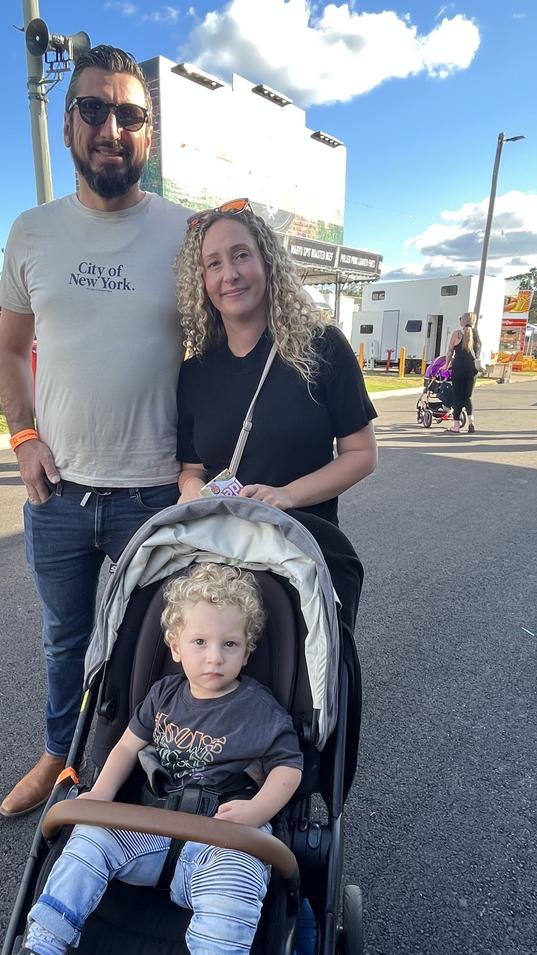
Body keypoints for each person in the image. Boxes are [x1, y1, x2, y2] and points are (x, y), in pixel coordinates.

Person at [0, 563, 303, 955]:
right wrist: (99, 794)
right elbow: (125, 747)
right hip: (147, 827)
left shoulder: (259, 709)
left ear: (248, 650)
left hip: (219, 839)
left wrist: (256, 810)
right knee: (88, 841)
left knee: (240, 878)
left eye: (230, 645)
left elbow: (289, 769)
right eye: (200, 643)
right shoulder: (162, 695)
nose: (214, 657)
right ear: (175, 647)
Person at [0, 46, 190, 817]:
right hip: (61, 491)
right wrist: (23, 438)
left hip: (156, 490)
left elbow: (220, 349)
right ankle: (57, 757)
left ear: (148, 134)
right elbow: (9, 351)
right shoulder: (32, 232)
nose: (113, 127)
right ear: (69, 122)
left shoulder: (185, 233)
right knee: (63, 644)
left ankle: (143, 775)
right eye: (96, 111)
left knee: (161, 648)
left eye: (130, 115)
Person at [173, 199, 378, 631]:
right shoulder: (195, 373)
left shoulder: (322, 348)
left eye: (241, 255)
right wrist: (191, 490)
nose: (229, 274)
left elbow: (361, 453)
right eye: (213, 264)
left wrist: (287, 496)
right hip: (220, 559)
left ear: (267, 263)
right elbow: (191, 467)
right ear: (202, 281)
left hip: (304, 551)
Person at [443, 311, 481, 433]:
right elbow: (478, 350)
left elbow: (450, 352)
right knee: (468, 396)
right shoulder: (476, 334)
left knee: (458, 397)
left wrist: (446, 365)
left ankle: (456, 426)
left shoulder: (457, 334)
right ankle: (471, 422)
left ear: (462, 321)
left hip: (458, 368)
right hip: (472, 369)